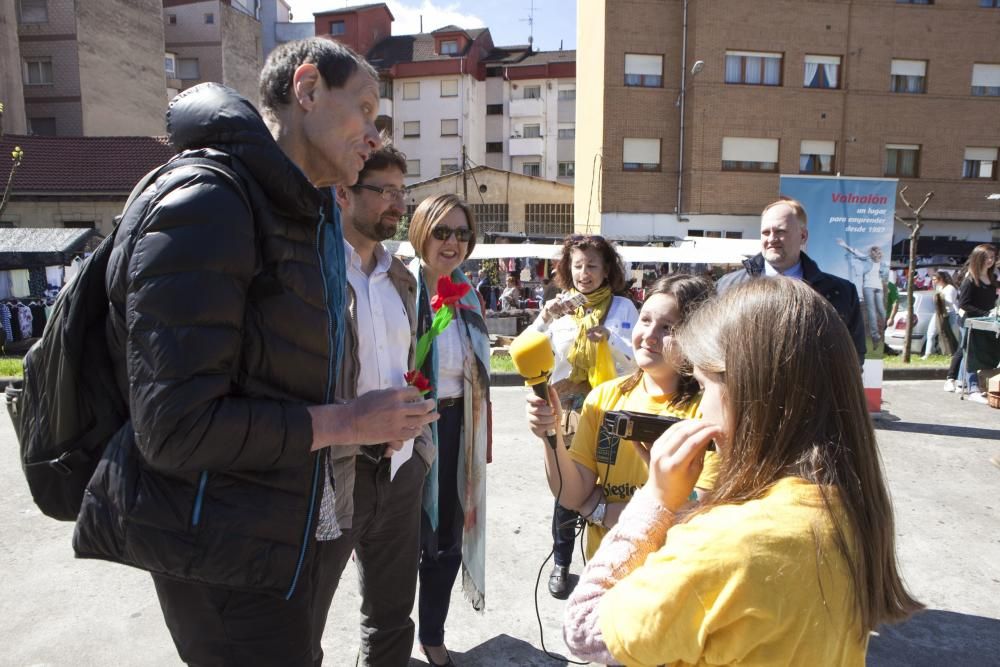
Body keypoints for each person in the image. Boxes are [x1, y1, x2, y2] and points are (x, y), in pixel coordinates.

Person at [72, 38, 439, 666]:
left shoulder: (300, 212)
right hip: (221, 556)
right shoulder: (209, 202)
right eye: (367, 109)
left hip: (274, 539)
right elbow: (177, 429)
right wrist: (351, 421)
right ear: (307, 89)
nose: (376, 136)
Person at [563, 278, 923, 666]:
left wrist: (657, 499)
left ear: (748, 394)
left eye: (704, 387)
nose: (703, 411)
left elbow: (584, 628)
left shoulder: (725, 541)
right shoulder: (849, 509)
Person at [319, 145, 433, 666]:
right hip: (334, 473)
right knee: (302, 618)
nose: (397, 204)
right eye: (385, 192)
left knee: (391, 617)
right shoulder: (314, 273)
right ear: (343, 193)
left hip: (401, 471)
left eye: (401, 193)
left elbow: (408, 366)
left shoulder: (402, 279)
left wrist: (416, 437)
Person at [525, 274, 717, 564]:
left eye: (668, 327)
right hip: (604, 574)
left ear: (697, 336)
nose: (650, 335)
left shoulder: (709, 411)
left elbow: (698, 512)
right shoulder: (604, 399)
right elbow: (572, 493)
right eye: (646, 320)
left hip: (672, 578)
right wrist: (549, 434)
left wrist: (601, 511)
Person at [528, 234, 639, 599]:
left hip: (613, 411)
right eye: (577, 265)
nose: (584, 273)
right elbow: (529, 354)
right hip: (570, 413)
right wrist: (544, 320)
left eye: (592, 265)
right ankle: (561, 563)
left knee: (608, 487)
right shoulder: (558, 310)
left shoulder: (623, 308)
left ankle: (607, 564)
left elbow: (638, 362)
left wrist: (609, 339)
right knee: (567, 490)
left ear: (607, 270)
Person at [408, 194, 491, 667]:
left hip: (461, 425)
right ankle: (385, 634)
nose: (453, 242)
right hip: (410, 425)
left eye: (462, 233)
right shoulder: (401, 286)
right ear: (420, 231)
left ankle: (432, 634)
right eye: (442, 231)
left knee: (447, 540)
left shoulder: (470, 294)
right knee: (401, 539)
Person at [718, 198, 867, 363]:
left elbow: (853, 357)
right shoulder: (727, 287)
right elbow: (713, 349)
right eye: (766, 232)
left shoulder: (841, 293)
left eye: (780, 231)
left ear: (803, 236)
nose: (771, 239)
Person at [945, 244, 998, 401]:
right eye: (986, 257)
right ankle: (966, 386)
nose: (990, 260)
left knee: (971, 352)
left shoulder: (992, 278)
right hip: (970, 321)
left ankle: (962, 383)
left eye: (993, 257)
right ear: (977, 258)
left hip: (986, 322)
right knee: (967, 352)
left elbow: (991, 300)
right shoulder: (970, 280)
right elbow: (964, 304)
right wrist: (986, 313)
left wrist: (992, 311)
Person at [837, 238, 889, 347]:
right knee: (875, 310)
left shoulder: (877, 263)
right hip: (872, 287)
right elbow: (855, 252)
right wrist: (845, 245)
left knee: (877, 310)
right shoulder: (873, 261)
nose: (875, 254)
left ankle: (881, 331)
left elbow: (885, 276)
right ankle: (877, 334)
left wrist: (845, 245)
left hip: (874, 287)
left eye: (875, 253)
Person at [922, 270, 959, 359]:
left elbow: (950, 302)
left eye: (935, 279)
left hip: (949, 314)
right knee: (930, 333)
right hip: (938, 313)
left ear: (941, 279)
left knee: (952, 334)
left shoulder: (950, 288)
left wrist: (940, 298)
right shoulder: (939, 288)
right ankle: (928, 353)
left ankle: (954, 353)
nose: (933, 281)